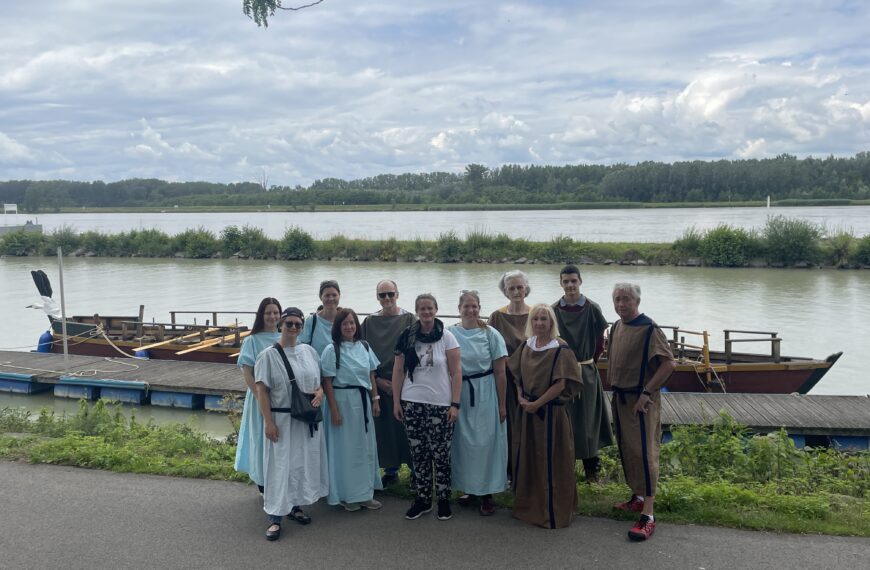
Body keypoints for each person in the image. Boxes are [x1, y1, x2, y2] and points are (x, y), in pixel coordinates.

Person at [608, 283, 676, 542]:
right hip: (621, 397)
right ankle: (637, 497)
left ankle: (648, 514)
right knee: (629, 449)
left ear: (637, 300)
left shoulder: (650, 329)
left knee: (646, 453)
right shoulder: (616, 326)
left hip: (641, 401)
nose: (621, 304)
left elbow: (668, 363)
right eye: (617, 299)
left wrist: (646, 393)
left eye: (626, 299)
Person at [254, 307, 328, 541]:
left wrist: (320, 393)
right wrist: (269, 422)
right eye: (289, 324)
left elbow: (319, 382)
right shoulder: (268, 355)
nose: (293, 328)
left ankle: (295, 506)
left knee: (300, 465)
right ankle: (275, 517)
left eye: (298, 324)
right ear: (280, 325)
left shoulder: (309, 351)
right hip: (282, 419)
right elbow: (262, 391)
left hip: (305, 419)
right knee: (280, 467)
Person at [507, 303, 581, 529]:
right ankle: (529, 507)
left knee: (551, 462)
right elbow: (517, 375)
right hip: (528, 411)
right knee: (530, 459)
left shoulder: (560, 348)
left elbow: (561, 384)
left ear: (551, 322)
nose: (539, 323)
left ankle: (552, 512)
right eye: (536, 319)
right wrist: (521, 397)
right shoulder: (527, 346)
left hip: (550, 415)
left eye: (544, 319)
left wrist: (537, 403)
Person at [392, 294, 462, 522]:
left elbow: (456, 372)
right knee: (419, 454)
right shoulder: (407, 337)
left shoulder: (447, 338)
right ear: (416, 311)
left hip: (441, 404)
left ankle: (443, 499)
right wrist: (396, 401)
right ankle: (423, 499)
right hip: (412, 402)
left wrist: (455, 404)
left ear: (436, 309)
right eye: (422, 309)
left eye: (430, 308)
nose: (426, 312)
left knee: (441, 454)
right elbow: (398, 370)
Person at [551, 264, 614, 482]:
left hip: (586, 369)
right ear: (561, 283)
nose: (570, 285)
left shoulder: (592, 308)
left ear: (580, 281)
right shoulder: (554, 310)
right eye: (566, 281)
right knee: (564, 418)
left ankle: (591, 472)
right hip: (563, 372)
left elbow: (600, 341)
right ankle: (564, 469)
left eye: (573, 281)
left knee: (588, 419)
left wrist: (588, 364)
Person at [450, 290, 508, 516]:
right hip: (460, 393)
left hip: (485, 392)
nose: (470, 310)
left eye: (474, 306)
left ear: (479, 308)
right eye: (466, 306)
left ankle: (487, 493)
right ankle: (470, 489)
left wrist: (502, 404)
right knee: (463, 443)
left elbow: (501, 371)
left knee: (486, 444)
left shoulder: (491, 334)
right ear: (459, 308)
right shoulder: (450, 334)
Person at [320, 308, 384, 511]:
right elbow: (327, 382)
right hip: (342, 402)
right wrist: (334, 410)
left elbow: (371, 375)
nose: (349, 327)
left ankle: (364, 493)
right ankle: (347, 495)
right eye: (345, 323)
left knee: (363, 449)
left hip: (362, 402)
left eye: (352, 323)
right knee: (345, 451)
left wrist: (375, 399)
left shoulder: (364, 347)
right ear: (338, 327)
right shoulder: (332, 350)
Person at [360, 279, 416, 486]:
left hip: (406, 382)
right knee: (384, 429)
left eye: (390, 294)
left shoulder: (410, 319)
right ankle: (390, 469)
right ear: (377, 297)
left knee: (408, 429)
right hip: (379, 383)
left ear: (397, 295)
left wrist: (400, 382)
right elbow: (362, 354)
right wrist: (379, 381)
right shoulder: (369, 322)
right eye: (382, 295)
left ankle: (415, 471)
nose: (387, 299)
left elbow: (415, 352)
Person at [487, 270, 532, 477]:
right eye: (511, 288)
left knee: (529, 427)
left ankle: (527, 471)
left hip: (531, 380)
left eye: (519, 287)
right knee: (507, 425)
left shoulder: (536, 314)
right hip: (505, 380)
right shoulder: (497, 317)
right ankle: (506, 471)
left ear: (526, 288)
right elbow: (488, 347)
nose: (516, 291)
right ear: (505, 291)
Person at [234, 297, 282, 492]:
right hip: (259, 400)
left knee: (281, 438)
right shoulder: (252, 340)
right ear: (261, 315)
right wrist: (262, 399)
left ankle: (280, 479)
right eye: (268, 312)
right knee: (262, 438)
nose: (272, 316)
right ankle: (263, 482)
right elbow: (248, 374)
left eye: (276, 312)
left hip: (282, 400)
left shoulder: (286, 336)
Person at [300, 279, 341, 355]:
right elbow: (303, 347)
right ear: (320, 297)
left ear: (339, 296)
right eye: (327, 295)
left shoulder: (345, 320)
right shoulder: (311, 321)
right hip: (316, 365)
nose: (331, 298)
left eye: (334, 295)